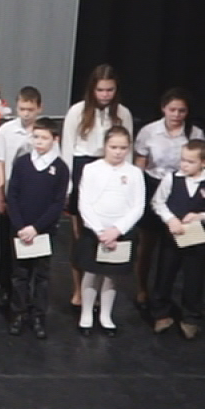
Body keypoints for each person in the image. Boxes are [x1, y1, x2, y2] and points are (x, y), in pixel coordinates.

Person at [64, 65, 133, 305]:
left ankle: (101, 291)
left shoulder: (122, 113)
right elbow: (67, 148)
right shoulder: (77, 111)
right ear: (92, 89)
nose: (105, 95)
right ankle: (79, 290)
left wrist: (126, 182)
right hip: (83, 167)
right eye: (101, 90)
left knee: (106, 232)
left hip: (112, 169)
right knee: (81, 236)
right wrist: (67, 185)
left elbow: (128, 150)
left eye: (109, 90)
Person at [133, 88, 205, 303]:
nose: (176, 115)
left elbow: (199, 165)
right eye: (172, 110)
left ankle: (166, 294)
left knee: (176, 245)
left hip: (181, 188)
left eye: (182, 111)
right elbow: (140, 163)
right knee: (147, 243)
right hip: (153, 185)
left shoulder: (195, 133)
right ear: (163, 108)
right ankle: (142, 288)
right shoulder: (149, 131)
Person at [148, 139, 205, 338]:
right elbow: (158, 202)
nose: (184, 165)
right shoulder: (171, 179)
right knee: (165, 274)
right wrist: (170, 219)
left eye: (190, 162)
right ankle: (161, 313)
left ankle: (191, 317)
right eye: (183, 160)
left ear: (204, 163)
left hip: (196, 239)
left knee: (194, 278)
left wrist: (201, 216)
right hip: (172, 236)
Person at [73, 125, 143, 336]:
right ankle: (86, 313)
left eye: (123, 148)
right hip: (95, 231)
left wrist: (117, 230)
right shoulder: (91, 169)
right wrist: (99, 230)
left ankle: (106, 315)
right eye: (113, 147)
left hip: (121, 232)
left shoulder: (134, 173)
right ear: (105, 146)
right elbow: (84, 202)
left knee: (112, 275)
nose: (118, 152)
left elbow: (138, 206)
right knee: (91, 271)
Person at [5, 117, 69, 338]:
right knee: (19, 275)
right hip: (20, 229)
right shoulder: (22, 163)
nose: (39, 141)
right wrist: (20, 226)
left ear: (55, 139)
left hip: (43, 232)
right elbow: (12, 195)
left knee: (41, 276)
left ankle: (38, 316)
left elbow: (57, 203)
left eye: (44, 138)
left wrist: (36, 228)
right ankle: (18, 314)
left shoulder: (60, 168)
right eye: (36, 137)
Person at [0, 86, 45, 312]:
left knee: (35, 247)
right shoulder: (7, 130)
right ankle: (5, 288)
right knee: (7, 245)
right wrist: (0, 196)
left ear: (39, 108)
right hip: (13, 196)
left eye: (30, 109)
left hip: (37, 198)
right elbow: (0, 163)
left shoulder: (44, 132)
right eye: (22, 109)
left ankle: (30, 292)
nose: (26, 114)